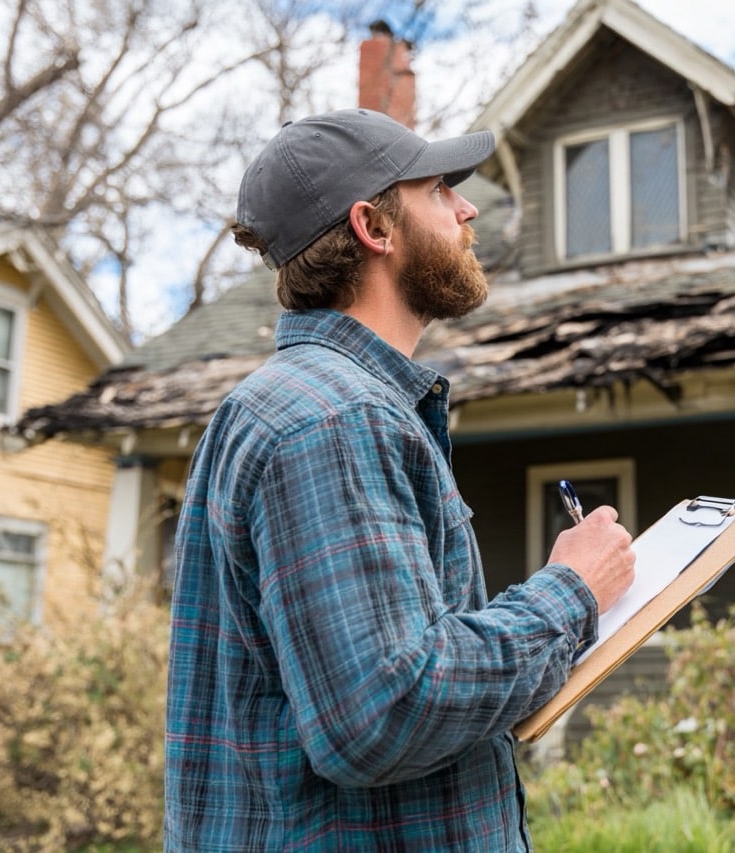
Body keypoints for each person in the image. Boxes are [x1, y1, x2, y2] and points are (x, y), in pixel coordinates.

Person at [164, 109, 636, 851]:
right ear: (374, 228)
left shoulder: (308, 406)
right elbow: (384, 713)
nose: (467, 208)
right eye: (442, 188)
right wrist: (571, 591)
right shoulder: (332, 418)